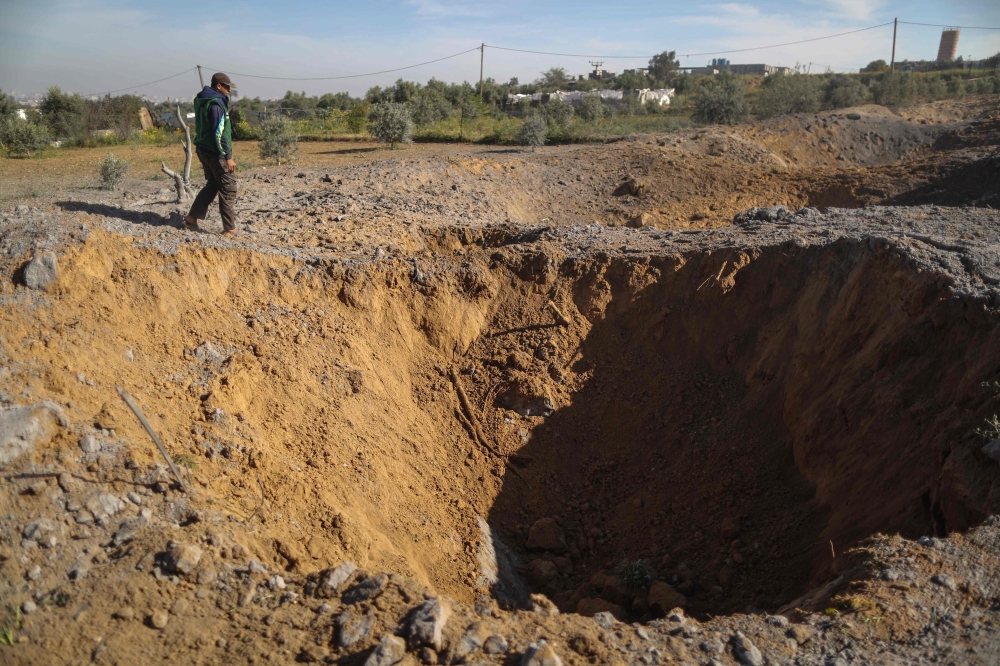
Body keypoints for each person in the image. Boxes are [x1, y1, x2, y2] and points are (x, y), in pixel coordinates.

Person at [184, 72, 238, 235]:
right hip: (216, 153)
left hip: (204, 149)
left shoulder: (204, 100)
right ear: (218, 86)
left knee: (213, 185)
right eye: (227, 87)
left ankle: (192, 218)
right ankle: (229, 229)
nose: (229, 90)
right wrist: (227, 156)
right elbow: (219, 133)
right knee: (229, 188)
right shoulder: (215, 104)